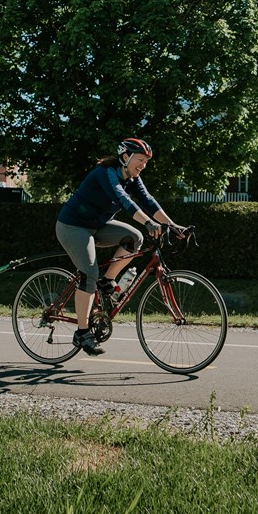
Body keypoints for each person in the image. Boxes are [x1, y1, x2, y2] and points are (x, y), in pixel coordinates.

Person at [55, 137, 184, 355]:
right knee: (89, 273)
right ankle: (82, 333)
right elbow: (124, 200)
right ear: (125, 157)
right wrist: (148, 223)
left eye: (146, 162)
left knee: (135, 238)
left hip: (98, 225)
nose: (143, 165)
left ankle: (107, 280)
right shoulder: (106, 173)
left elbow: (148, 200)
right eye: (140, 160)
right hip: (73, 226)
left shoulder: (133, 178)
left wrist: (173, 226)